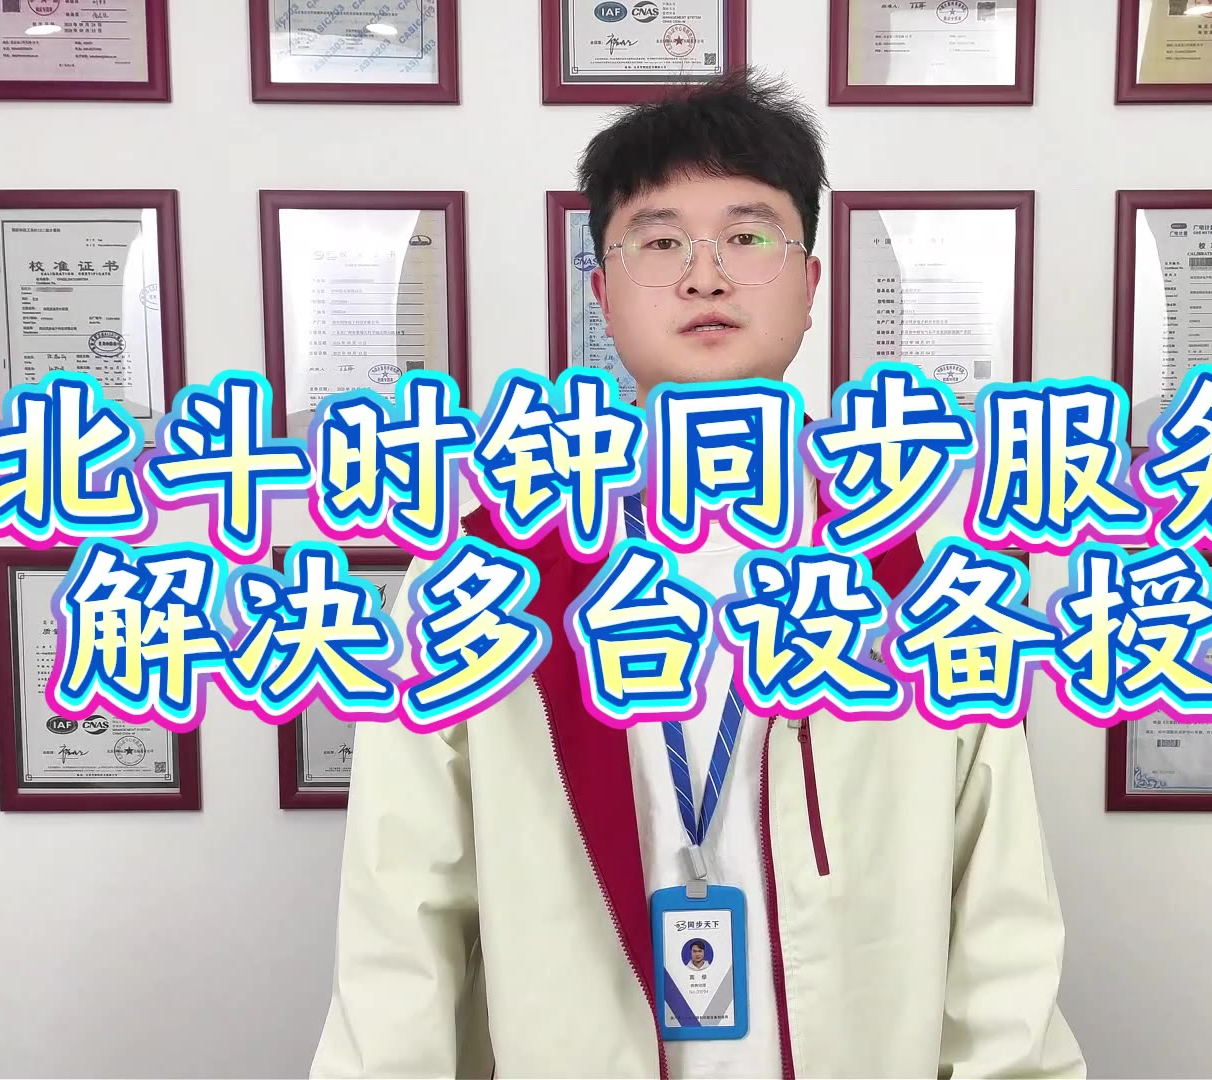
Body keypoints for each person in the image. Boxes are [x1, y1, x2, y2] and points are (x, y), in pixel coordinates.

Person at [309, 67, 1086, 1080]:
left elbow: (1000, 921)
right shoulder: (481, 575)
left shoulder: (927, 574)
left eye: (750, 237)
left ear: (810, 286)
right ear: (601, 293)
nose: (706, 277)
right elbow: (399, 923)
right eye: (660, 240)